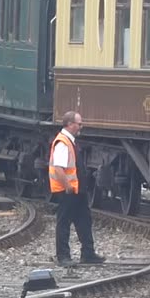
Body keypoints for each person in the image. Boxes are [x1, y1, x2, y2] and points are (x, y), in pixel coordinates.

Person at [50, 111, 105, 265]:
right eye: (79, 123)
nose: (81, 126)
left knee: (84, 221)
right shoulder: (62, 143)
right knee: (64, 222)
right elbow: (58, 168)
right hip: (68, 191)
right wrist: (67, 186)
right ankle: (63, 256)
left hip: (77, 190)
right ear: (69, 124)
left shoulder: (70, 141)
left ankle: (88, 253)